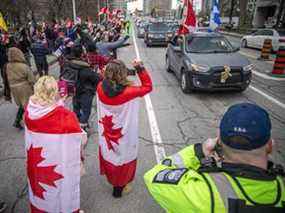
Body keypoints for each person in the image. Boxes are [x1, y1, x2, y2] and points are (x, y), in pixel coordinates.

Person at [144, 103, 285, 213]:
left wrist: (198, 151)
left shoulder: (200, 193)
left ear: (219, 141)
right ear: (270, 146)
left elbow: (152, 176)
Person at [24, 76, 86, 213]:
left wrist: (58, 105)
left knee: (45, 193)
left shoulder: (29, 110)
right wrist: (60, 107)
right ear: (54, 92)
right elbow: (80, 138)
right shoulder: (65, 116)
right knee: (62, 188)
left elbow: (46, 117)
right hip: (58, 159)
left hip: (38, 161)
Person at [97, 59, 152, 198]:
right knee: (124, 157)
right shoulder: (129, 92)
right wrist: (140, 68)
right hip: (124, 133)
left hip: (108, 132)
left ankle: (115, 184)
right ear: (123, 74)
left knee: (112, 155)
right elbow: (148, 86)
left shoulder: (99, 87)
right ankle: (120, 188)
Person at [69, 44, 101, 130]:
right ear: (81, 54)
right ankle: (82, 128)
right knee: (86, 112)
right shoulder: (85, 68)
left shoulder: (69, 63)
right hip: (85, 93)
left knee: (76, 109)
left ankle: (76, 124)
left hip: (74, 91)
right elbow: (97, 79)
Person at [5, 47, 35, 129]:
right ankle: (31, 123)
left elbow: (5, 78)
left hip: (13, 88)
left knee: (22, 105)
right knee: (28, 105)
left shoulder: (7, 66)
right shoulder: (23, 66)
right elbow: (31, 79)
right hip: (24, 88)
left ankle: (17, 120)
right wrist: (34, 87)